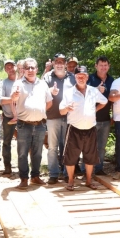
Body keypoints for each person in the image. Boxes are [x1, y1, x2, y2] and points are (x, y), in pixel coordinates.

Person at [59, 66, 108, 190]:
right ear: (75, 77)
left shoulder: (93, 90)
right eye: (78, 76)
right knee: (70, 157)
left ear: (87, 77)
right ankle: (70, 181)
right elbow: (61, 111)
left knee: (90, 156)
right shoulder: (69, 92)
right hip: (74, 128)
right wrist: (66, 109)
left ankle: (88, 180)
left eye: (83, 76)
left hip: (90, 128)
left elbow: (104, 101)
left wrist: (94, 110)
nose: (81, 78)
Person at [11, 58, 53, 189]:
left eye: (32, 68)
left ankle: (35, 177)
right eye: (27, 68)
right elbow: (13, 98)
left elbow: (49, 102)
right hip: (24, 124)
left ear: (37, 70)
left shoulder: (43, 84)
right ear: (23, 70)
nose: (30, 70)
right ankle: (24, 178)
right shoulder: (18, 83)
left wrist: (39, 112)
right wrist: (15, 95)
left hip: (40, 124)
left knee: (38, 152)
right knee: (22, 153)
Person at [43, 53, 76, 184]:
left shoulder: (72, 78)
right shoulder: (47, 77)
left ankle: (67, 173)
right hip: (52, 117)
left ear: (65, 64)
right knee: (52, 147)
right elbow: (40, 92)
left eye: (62, 61)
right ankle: (53, 174)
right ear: (54, 63)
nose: (59, 64)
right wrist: (50, 91)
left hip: (69, 117)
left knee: (67, 146)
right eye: (57, 61)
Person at [87, 56, 114, 176]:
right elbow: (83, 95)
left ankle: (98, 168)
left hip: (106, 119)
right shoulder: (89, 79)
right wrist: (96, 89)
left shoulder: (112, 81)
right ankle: (86, 170)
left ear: (109, 66)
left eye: (105, 65)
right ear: (96, 66)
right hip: (90, 119)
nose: (103, 67)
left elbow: (113, 100)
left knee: (102, 147)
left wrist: (114, 115)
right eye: (101, 65)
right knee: (89, 146)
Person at [0, 59, 17, 175]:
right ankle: (7, 167)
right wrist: (11, 99)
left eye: (11, 66)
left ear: (15, 67)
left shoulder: (21, 81)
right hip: (8, 117)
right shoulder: (3, 83)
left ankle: (26, 168)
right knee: (7, 142)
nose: (9, 68)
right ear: (5, 70)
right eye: (7, 67)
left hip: (23, 117)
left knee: (25, 143)